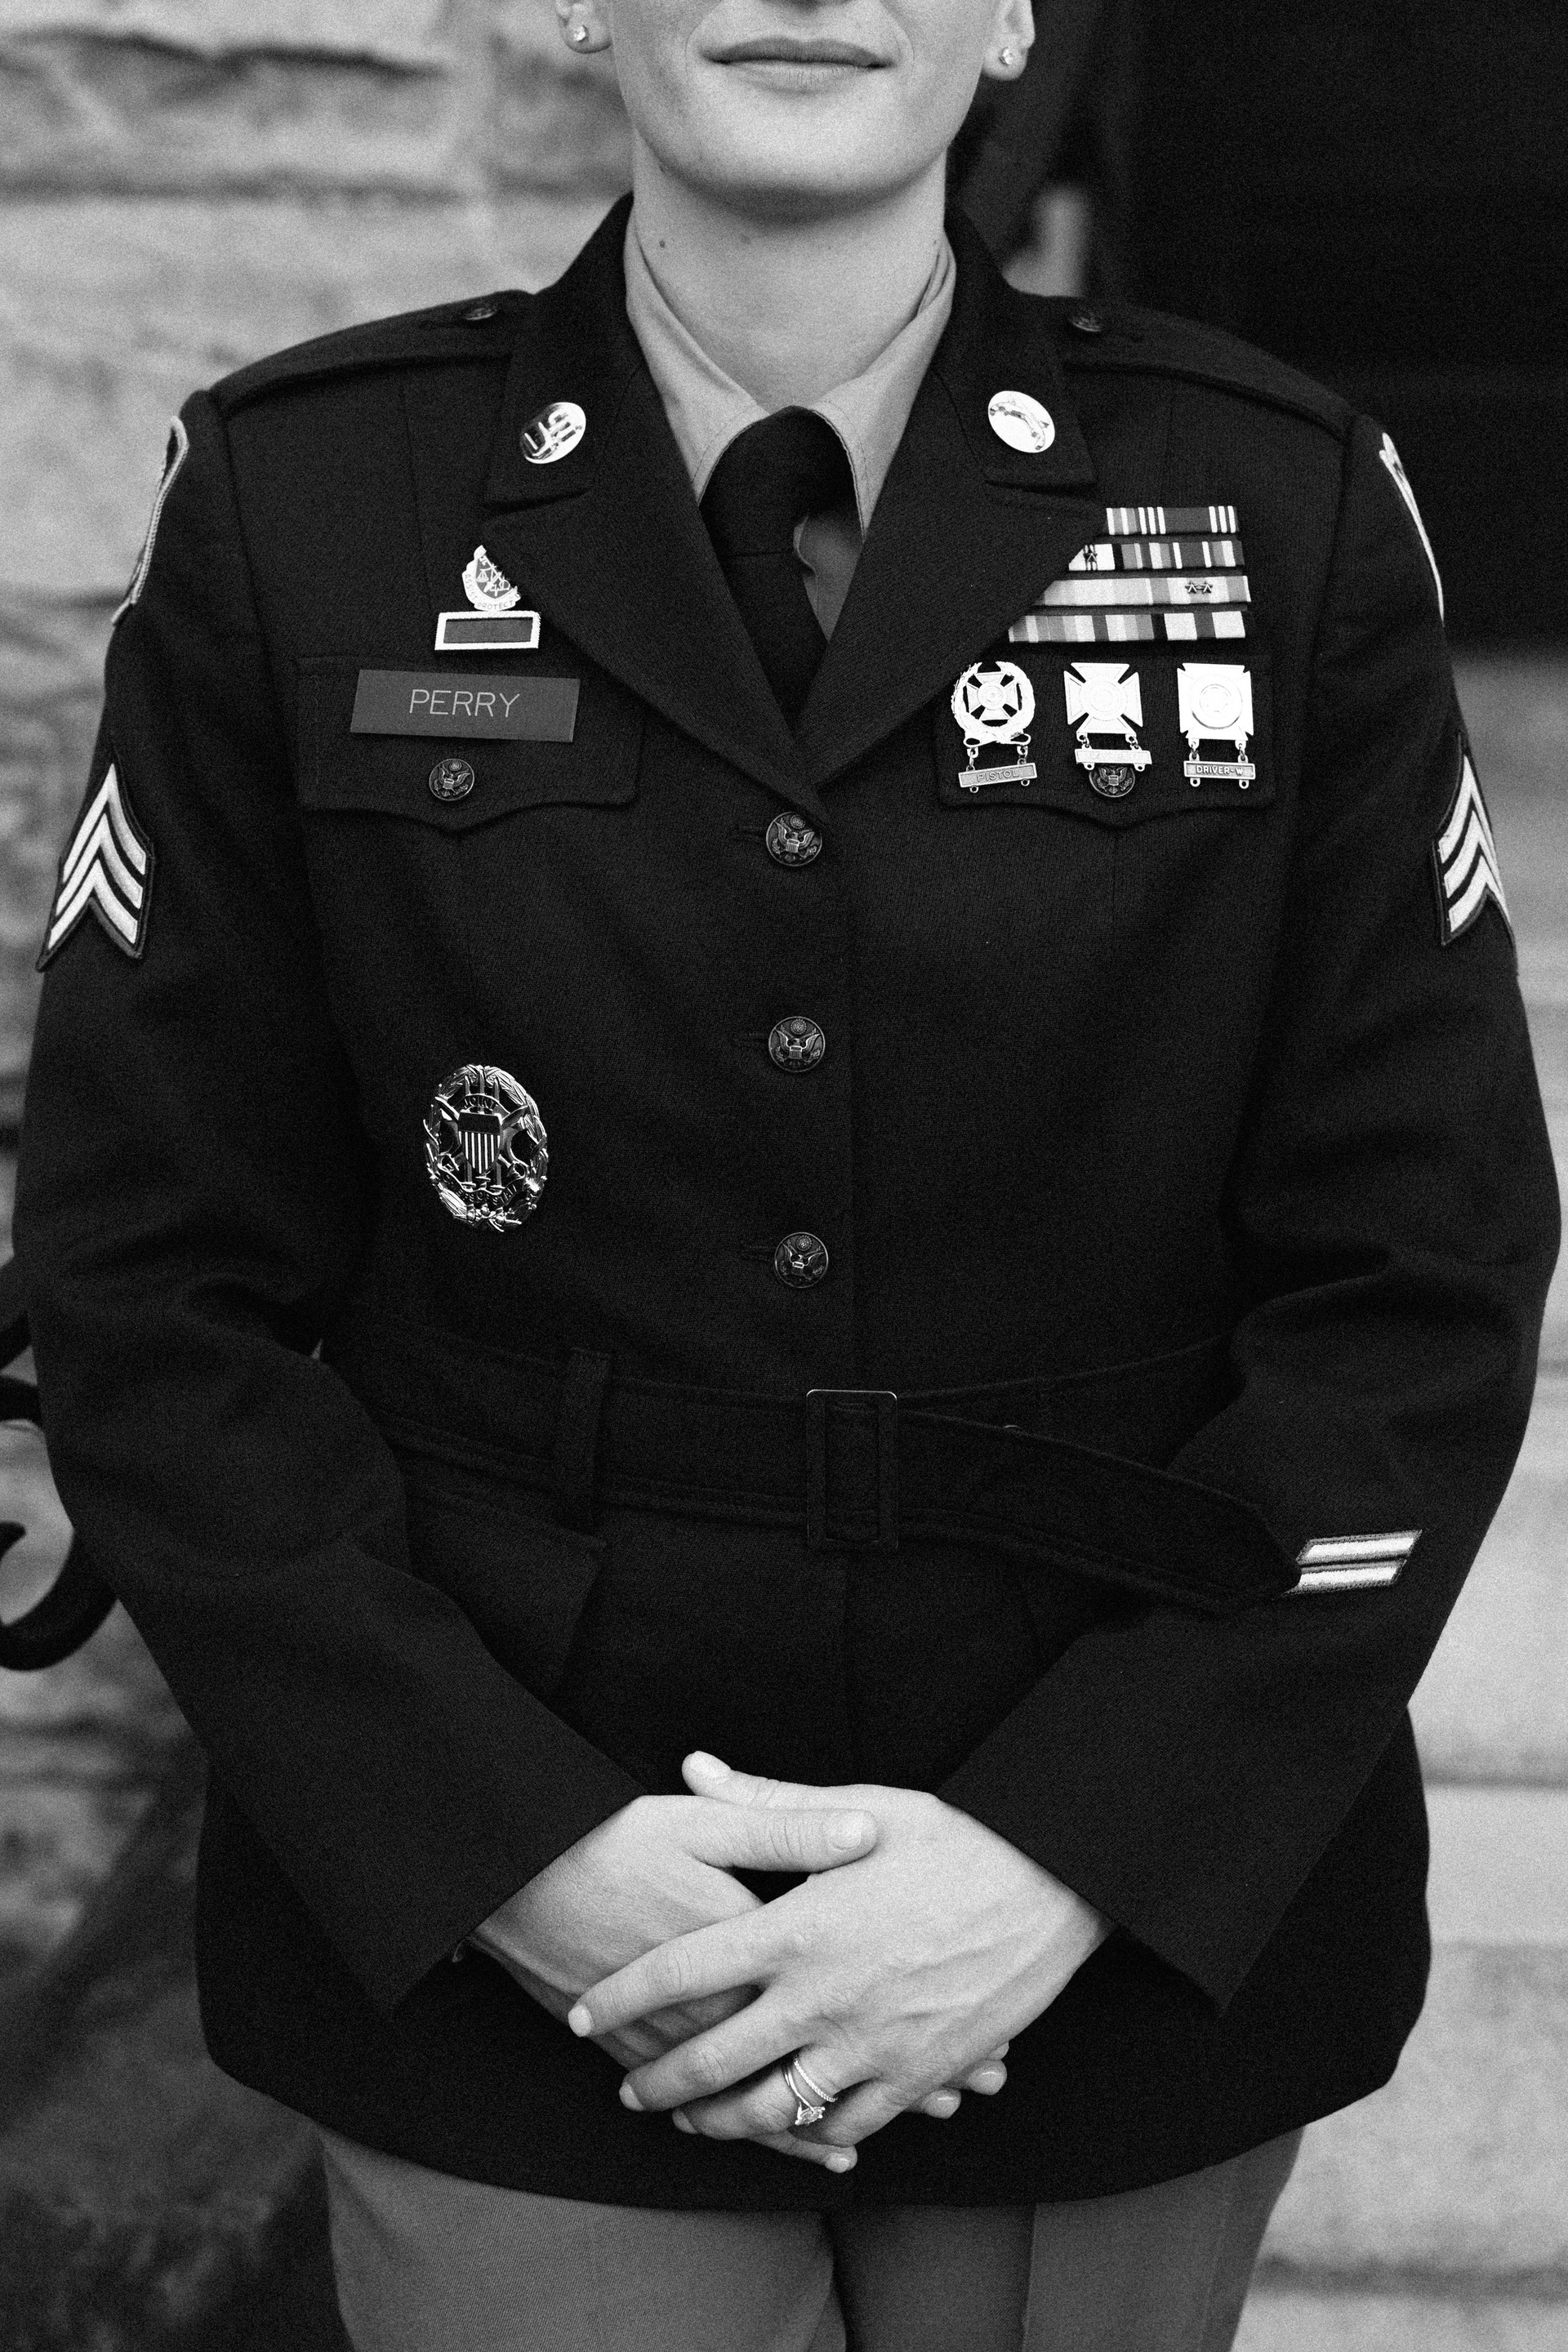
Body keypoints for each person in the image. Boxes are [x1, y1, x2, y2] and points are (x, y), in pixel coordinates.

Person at [13, 0, 1557, 2337]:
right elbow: (148, 1284)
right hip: (512, 1912)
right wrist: (512, 1854)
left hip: (1100, 1911)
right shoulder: (310, 501)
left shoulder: (1276, 501)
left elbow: (1418, 1281)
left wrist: (1071, 1851)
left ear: (1016, 11)